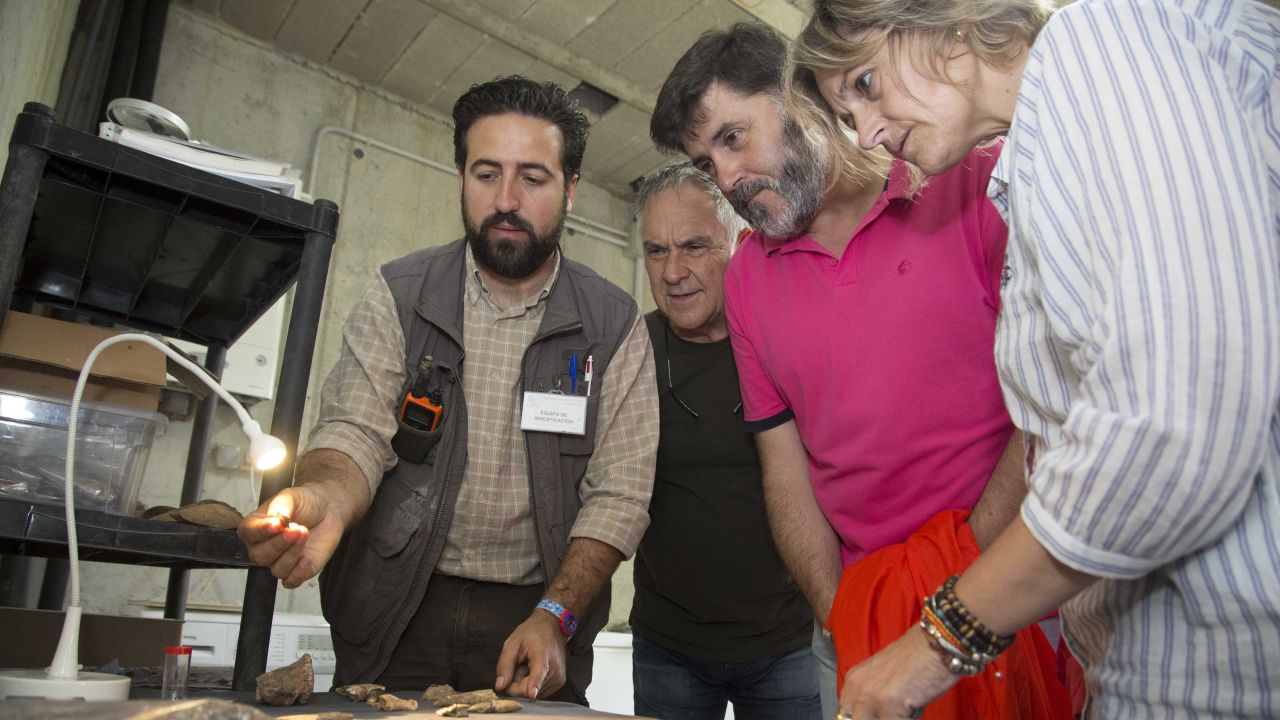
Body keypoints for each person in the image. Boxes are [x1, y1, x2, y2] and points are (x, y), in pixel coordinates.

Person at [790, 0, 1280, 717]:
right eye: (846, 113)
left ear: (943, 23)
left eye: (865, 85)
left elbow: (1177, 420)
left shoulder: (1099, 42)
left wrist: (935, 642)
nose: (866, 131)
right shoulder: (1032, 162)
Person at [652, 23, 1060, 720]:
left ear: (799, 98)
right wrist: (845, 614)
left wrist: (952, 597)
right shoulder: (747, 276)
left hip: (1015, 603)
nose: (726, 180)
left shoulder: (975, 182)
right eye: (705, 162)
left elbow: (1051, 416)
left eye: (732, 137)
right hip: (852, 629)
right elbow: (783, 464)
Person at [236, 75, 659, 704]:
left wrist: (557, 617)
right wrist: (325, 493)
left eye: (533, 178)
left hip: (534, 615)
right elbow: (354, 431)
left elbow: (618, 498)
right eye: (486, 174)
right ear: (461, 176)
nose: (507, 199)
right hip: (398, 608)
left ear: (570, 189)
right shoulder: (399, 296)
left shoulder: (613, 324)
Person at [630, 162, 820, 720]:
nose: (673, 271)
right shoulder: (630, 355)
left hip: (789, 645)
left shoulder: (788, 340)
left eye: (694, 246)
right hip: (668, 650)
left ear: (739, 241)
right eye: (656, 251)